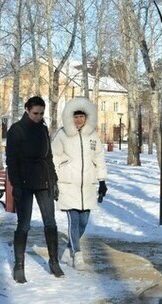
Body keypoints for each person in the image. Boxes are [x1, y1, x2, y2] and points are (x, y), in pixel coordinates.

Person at [6, 96, 64, 283]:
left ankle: (54, 262)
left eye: (41, 113)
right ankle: (19, 265)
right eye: (35, 113)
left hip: (43, 182)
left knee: (51, 223)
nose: (38, 117)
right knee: (24, 225)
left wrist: (53, 181)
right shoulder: (16, 130)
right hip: (24, 183)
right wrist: (15, 185)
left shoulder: (43, 130)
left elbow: (48, 158)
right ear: (26, 110)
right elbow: (11, 161)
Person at [51, 97, 107, 271]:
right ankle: (77, 253)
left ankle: (69, 249)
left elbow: (99, 158)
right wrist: (55, 179)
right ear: (70, 117)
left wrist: (102, 181)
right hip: (68, 184)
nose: (79, 120)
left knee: (83, 222)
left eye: (82, 116)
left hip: (87, 186)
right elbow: (54, 157)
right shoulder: (62, 134)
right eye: (75, 116)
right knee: (73, 220)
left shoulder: (93, 136)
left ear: (87, 117)